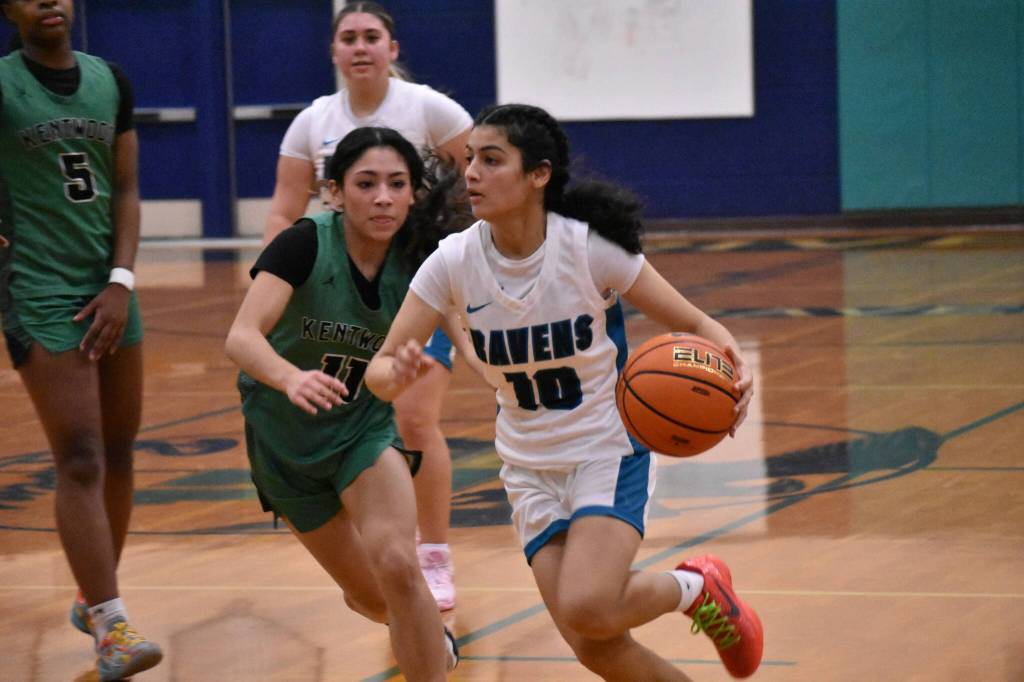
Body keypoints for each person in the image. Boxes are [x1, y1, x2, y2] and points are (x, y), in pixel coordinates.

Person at [366, 104, 765, 680]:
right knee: (596, 646)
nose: (472, 172)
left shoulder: (586, 249)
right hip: (528, 466)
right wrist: (395, 372)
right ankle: (699, 590)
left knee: (589, 605)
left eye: (492, 160)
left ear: (539, 175)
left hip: (606, 449)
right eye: (471, 158)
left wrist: (734, 372)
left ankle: (697, 588)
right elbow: (379, 371)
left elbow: (701, 326)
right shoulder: (451, 262)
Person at [225, 127, 462, 680]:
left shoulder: (424, 260)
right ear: (334, 192)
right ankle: (430, 638)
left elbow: (473, 337)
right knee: (373, 598)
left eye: (397, 184)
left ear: (414, 193)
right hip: (284, 448)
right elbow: (241, 337)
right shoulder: (305, 242)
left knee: (402, 570)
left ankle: (427, 652)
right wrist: (289, 378)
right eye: (367, 183)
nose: (383, 196)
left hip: (363, 432)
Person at [263, 0, 471, 611]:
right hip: (339, 292)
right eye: (348, 37)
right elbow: (282, 208)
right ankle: (392, 551)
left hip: (414, 283)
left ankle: (433, 551)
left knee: (412, 420)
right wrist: (280, 275)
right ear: (333, 52)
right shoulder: (313, 121)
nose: (360, 46)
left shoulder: (428, 108)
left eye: (371, 36)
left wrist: (454, 252)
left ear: (392, 49)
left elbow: (480, 181)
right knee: (362, 424)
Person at [0, 1, 162, 680]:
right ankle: (110, 626)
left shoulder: (111, 80)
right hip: (38, 292)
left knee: (121, 452)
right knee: (82, 458)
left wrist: (121, 279)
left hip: (109, 289)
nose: (50, 1)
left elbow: (125, 187)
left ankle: (93, 595)